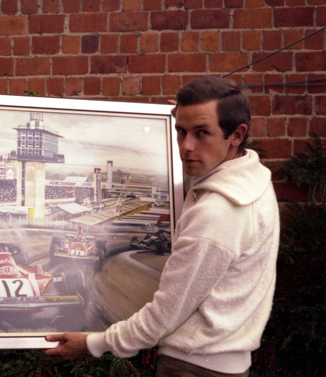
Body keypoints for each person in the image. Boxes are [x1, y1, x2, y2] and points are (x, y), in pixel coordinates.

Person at [44, 76, 280, 377]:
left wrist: (94, 343)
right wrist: (189, 120)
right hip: (225, 362)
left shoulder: (217, 213)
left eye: (202, 132)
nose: (186, 147)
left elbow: (164, 314)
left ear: (236, 134)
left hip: (191, 366)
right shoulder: (253, 179)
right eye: (181, 131)